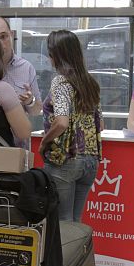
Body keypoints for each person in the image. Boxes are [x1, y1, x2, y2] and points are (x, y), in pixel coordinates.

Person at [40, 30, 103, 222]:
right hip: (91, 160)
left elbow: (61, 121)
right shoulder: (90, 83)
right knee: (75, 222)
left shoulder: (61, 82)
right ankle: (77, 253)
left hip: (65, 159)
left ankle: (63, 253)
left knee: (62, 223)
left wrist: (45, 141)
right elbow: (101, 124)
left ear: (56, 55)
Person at [0, 16, 42, 116]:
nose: (0, 44)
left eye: (3, 36)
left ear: (11, 35)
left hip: (16, 130)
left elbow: (36, 111)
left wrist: (30, 102)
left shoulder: (26, 68)